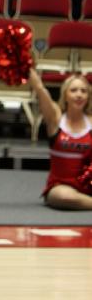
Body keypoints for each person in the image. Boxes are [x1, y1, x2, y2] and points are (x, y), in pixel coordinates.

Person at [29, 69, 92, 210]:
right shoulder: (56, 119)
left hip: (88, 185)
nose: (79, 95)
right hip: (61, 188)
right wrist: (23, 62)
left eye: (83, 91)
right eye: (74, 90)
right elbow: (40, 89)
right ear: (65, 95)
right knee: (65, 197)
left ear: (88, 96)